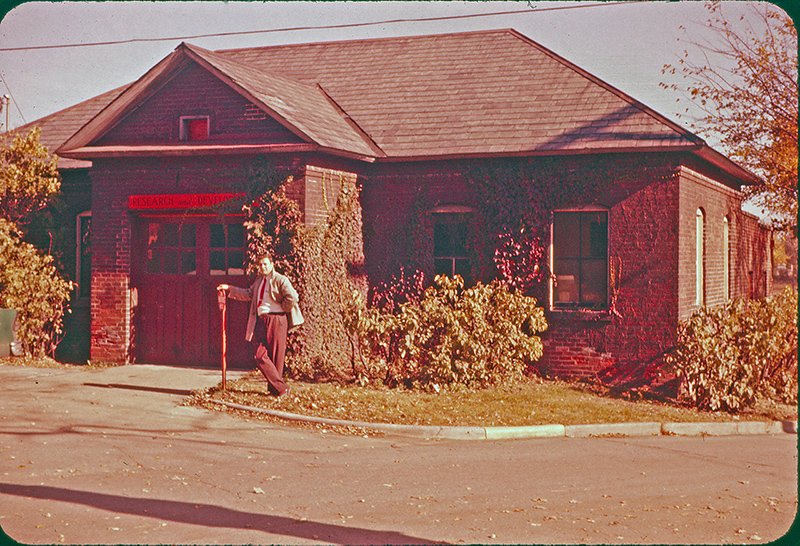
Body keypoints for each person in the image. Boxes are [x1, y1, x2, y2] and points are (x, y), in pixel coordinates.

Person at [217, 252, 303, 396]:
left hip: (277, 320)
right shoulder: (259, 281)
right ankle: (282, 388)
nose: (263, 267)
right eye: (260, 264)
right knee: (259, 354)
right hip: (262, 321)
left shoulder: (280, 280)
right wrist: (229, 288)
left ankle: (276, 390)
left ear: (271, 264)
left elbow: (293, 297)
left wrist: (283, 308)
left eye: (265, 264)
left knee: (277, 356)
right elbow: (248, 294)